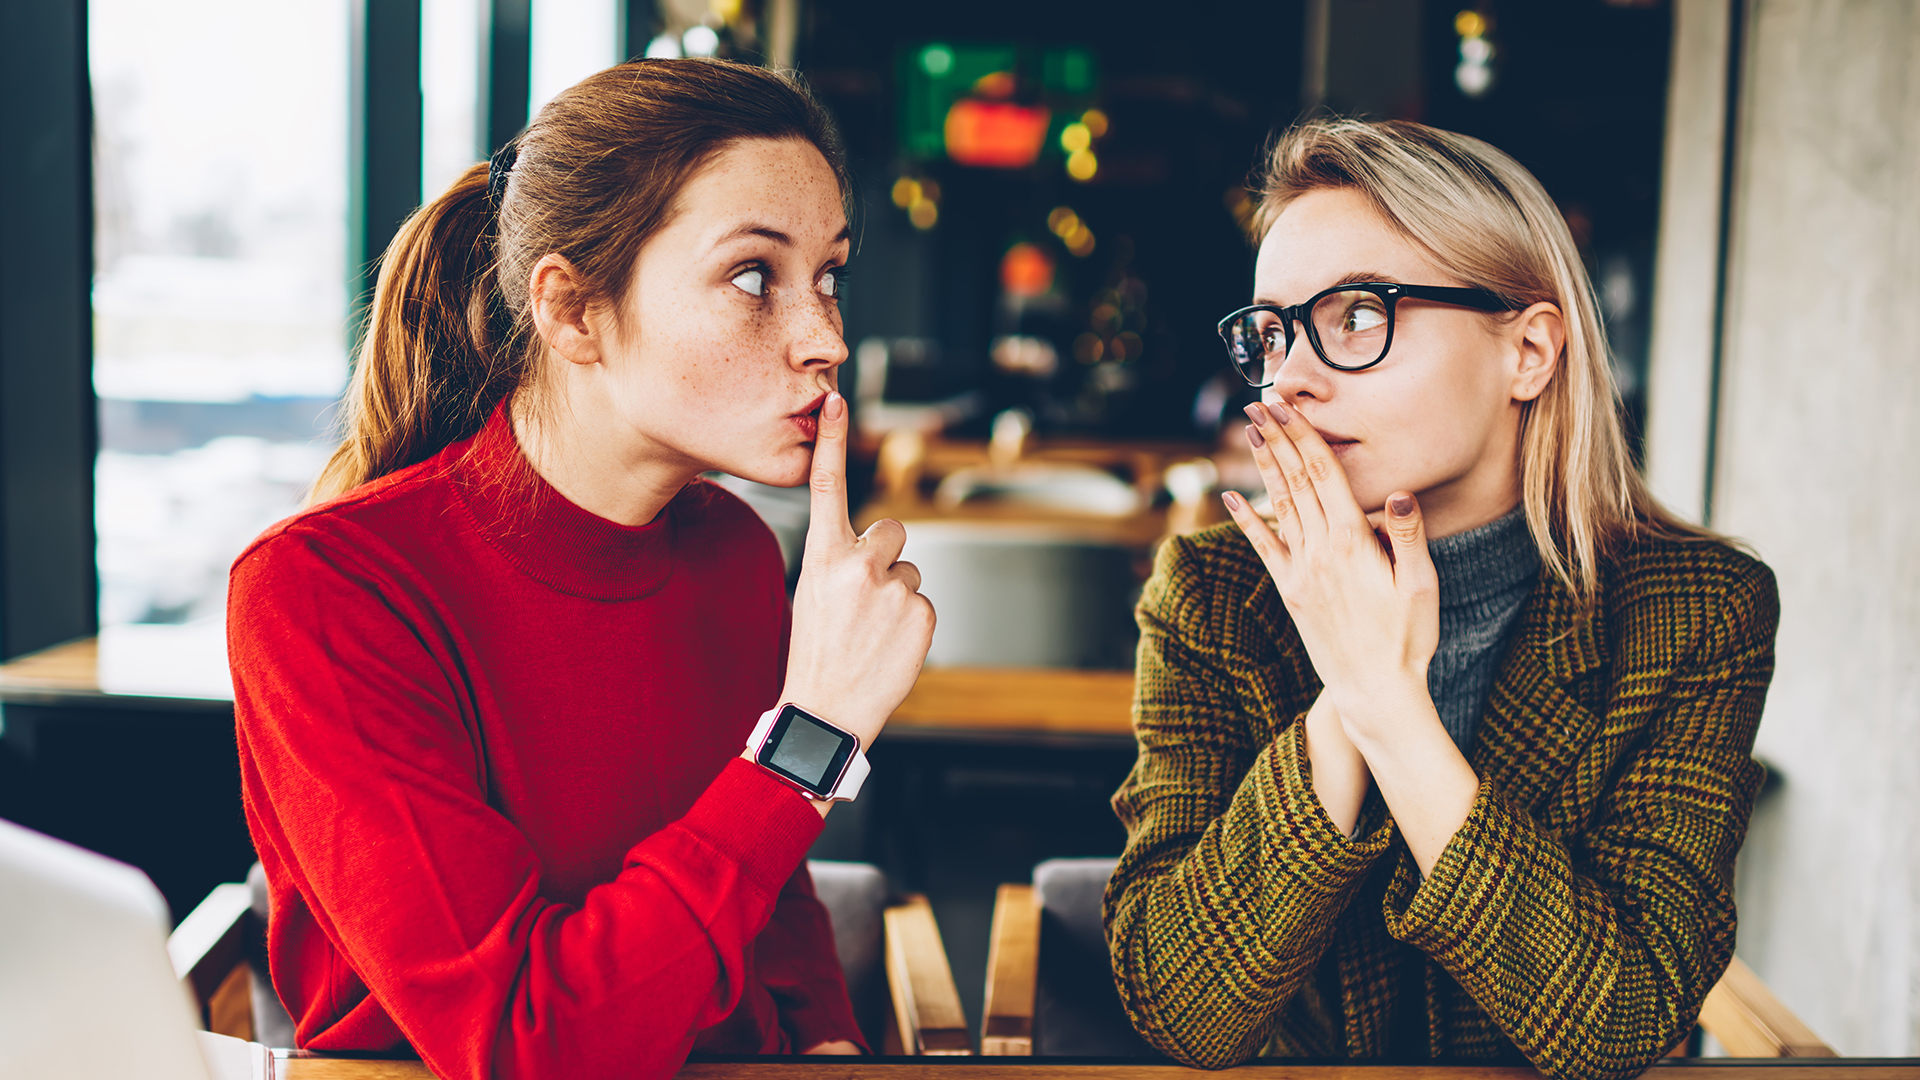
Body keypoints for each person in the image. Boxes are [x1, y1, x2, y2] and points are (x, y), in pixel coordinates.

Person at [227, 58, 934, 1080]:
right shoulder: (325, 592)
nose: (827, 336)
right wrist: (812, 738)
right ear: (571, 312)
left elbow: (763, 891)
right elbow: (527, 1041)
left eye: (828, 275)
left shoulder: (733, 552)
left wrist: (824, 1038)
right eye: (754, 277)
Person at [1104, 119, 1777, 1080]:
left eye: (1358, 318)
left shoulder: (1695, 612)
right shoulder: (1218, 593)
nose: (1288, 380)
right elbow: (1184, 1014)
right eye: (1272, 333)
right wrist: (1348, 702)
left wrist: (1388, 707)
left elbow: (1619, 1025)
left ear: (1531, 352)